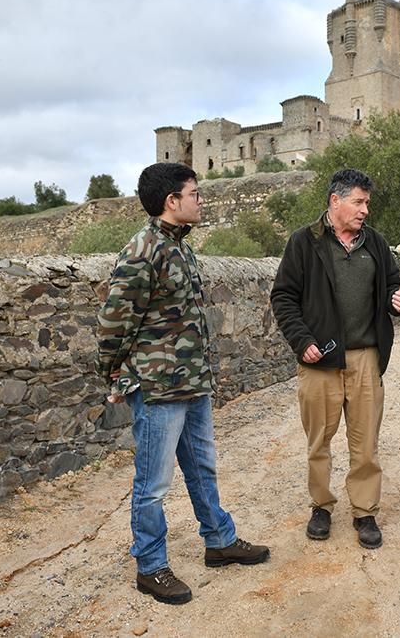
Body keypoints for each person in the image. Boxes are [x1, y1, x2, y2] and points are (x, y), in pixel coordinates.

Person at [96, 162, 269, 605]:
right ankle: (151, 567)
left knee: (202, 468)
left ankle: (219, 541)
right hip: (157, 388)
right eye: (195, 193)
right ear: (172, 201)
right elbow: (116, 321)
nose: (200, 200)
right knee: (153, 483)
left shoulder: (180, 248)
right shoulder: (143, 250)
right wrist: (113, 373)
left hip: (190, 383)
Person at [270, 168, 400, 549]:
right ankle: (321, 506)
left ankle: (365, 513)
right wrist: (301, 341)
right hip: (320, 362)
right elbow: (283, 297)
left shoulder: (376, 244)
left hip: (365, 358)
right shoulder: (304, 242)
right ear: (336, 201)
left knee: (366, 443)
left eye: (367, 203)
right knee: (319, 442)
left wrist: (397, 302)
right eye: (359, 202)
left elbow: (393, 288)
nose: (365, 210)